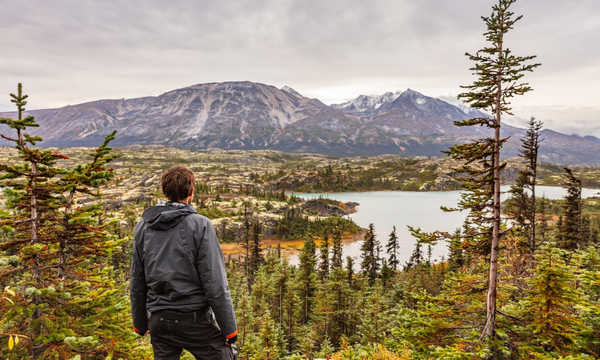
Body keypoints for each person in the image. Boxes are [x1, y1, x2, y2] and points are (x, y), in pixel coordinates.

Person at [130, 165, 238, 359]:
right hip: (194, 319)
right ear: (191, 192)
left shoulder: (143, 226)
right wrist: (229, 329)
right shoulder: (200, 224)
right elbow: (215, 283)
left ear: (165, 191)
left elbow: (137, 279)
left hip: (159, 320)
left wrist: (140, 323)